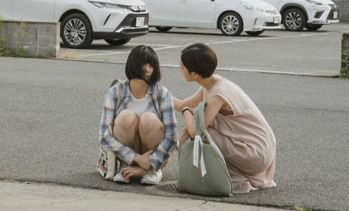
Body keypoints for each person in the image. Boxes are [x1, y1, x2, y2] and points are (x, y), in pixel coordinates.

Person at [173, 43, 276, 193]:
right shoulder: (211, 84)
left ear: (194, 74)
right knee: (200, 133)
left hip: (255, 152)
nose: (180, 70)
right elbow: (181, 104)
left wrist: (186, 112)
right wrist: (157, 92)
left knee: (199, 136)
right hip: (258, 147)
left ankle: (230, 181)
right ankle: (221, 177)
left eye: (182, 67)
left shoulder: (217, 93)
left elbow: (196, 131)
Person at [99, 45, 177, 185]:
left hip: (155, 157)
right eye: (143, 64)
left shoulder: (163, 93)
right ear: (133, 64)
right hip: (126, 156)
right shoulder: (115, 92)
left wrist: (149, 163)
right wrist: (135, 158)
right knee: (125, 117)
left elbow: (172, 137)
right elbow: (104, 136)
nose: (148, 69)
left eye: (151, 65)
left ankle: (152, 170)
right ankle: (125, 167)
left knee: (149, 119)